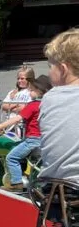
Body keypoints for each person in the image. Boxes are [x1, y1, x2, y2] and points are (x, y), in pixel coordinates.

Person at [0, 73, 51, 191]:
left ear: (38, 91)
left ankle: (16, 183)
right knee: (18, 147)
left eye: (32, 90)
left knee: (11, 158)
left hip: (32, 139)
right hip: (43, 139)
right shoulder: (46, 105)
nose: (29, 92)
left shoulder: (33, 105)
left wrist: (1, 126)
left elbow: (17, 118)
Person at [40, 29, 79, 182]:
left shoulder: (51, 97)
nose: (48, 73)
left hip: (58, 191)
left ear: (63, 69)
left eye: (50, 66)